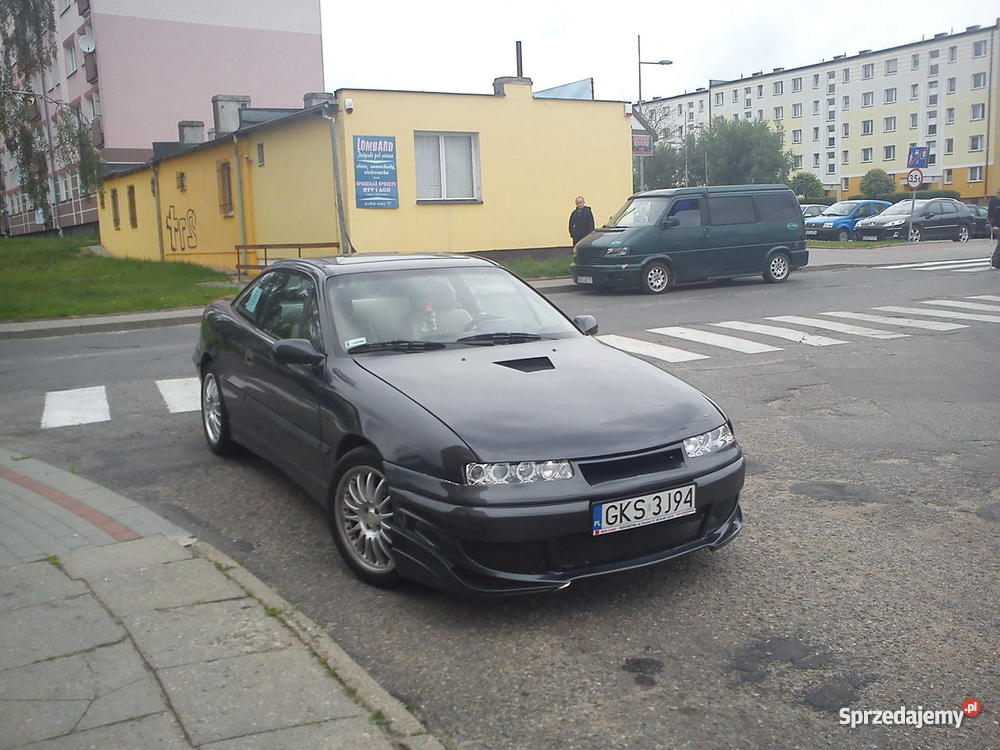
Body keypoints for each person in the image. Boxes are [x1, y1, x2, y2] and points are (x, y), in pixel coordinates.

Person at [989, 188, 1000, 269]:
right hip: (997, 226)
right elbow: (991, 215)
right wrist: (994, 225)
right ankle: (995, 261)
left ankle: (996, 261)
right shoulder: (994, 202)